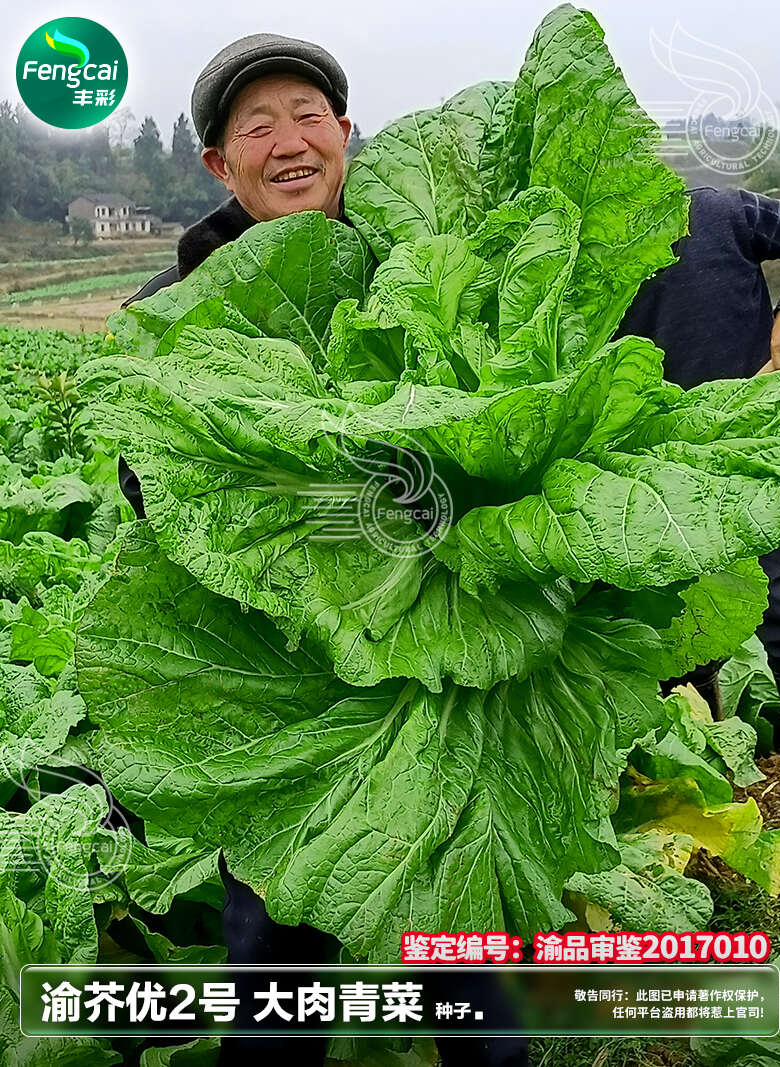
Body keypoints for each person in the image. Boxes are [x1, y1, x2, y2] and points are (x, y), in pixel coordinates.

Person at [119, 33, 528, 1067]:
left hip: (443, 673)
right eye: (256, 127)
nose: (288, 142)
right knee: (274, 972)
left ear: (345, 134)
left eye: (308, 116)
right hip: (287, 694)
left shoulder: (425, 266)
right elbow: (163, 494)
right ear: (219, 163)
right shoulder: (173, 316)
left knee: (463, 968)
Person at [612, 184, 780, 738]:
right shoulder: (557, 259)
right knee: (678, 645)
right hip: (650, 495)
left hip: (758, 456)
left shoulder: (714, 211)